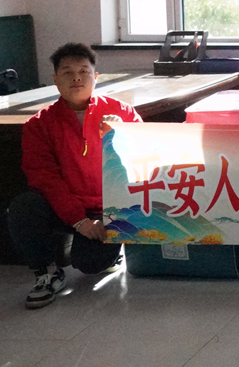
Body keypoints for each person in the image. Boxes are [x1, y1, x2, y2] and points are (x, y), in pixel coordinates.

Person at [7, 43, 141, 308]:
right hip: (64, 208)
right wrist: (79, 220)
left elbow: (143, 160)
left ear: (96, 77)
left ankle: (112, 253)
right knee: (23, 206)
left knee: (90, 265)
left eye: (83, 71)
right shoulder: (39, 124)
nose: (76, 78)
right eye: (67, 72)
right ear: (55, 80)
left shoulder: (122, 113)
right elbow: (44, 178)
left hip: (106, 207)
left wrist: (122, 134)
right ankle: (46, 273)